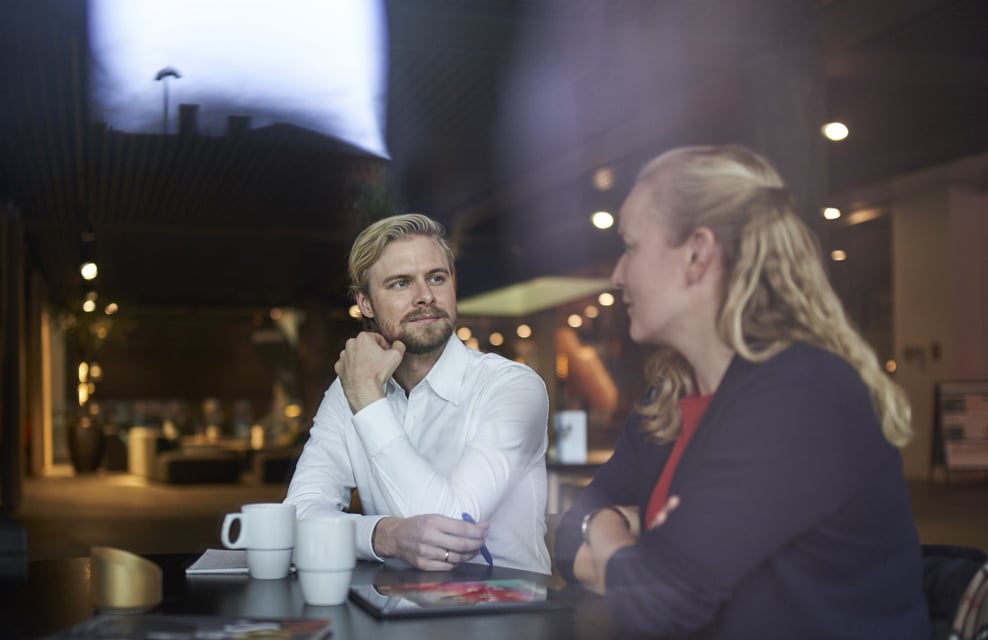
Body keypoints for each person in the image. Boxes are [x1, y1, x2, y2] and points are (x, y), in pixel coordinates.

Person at [554, 145, 930, 637]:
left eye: (631, 246)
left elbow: (658, 603)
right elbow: (566, 535)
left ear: (697, 254)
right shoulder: (667, 402)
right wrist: (616, 538)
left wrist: (607, 541)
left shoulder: (800, 395)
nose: (617, 276)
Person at [285, 213, 551, 574]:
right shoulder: (350, 389)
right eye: (400, 284)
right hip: (393, 614)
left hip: (502, 615)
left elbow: (449, 530)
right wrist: (383, 535)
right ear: (365, 304)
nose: (425, 296)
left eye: (437, 278)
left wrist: (367, 401)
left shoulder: (513, 387)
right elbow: (299, 515)